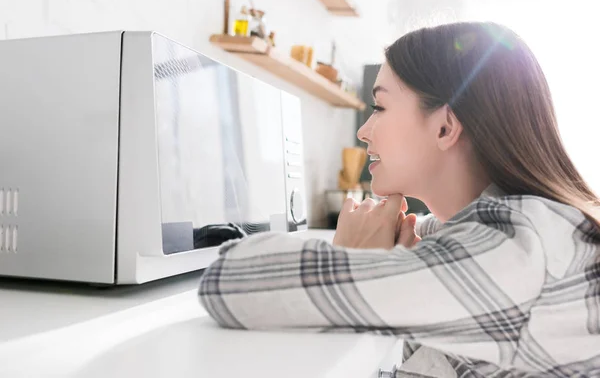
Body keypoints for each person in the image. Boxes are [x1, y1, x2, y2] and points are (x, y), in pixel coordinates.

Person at [198, 22, 600, 377]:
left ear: (445, 128)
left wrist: (354, 256)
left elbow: (229, 282)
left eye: (380, 106)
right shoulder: (502, 230)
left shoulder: (516, 251)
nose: (364, 131)